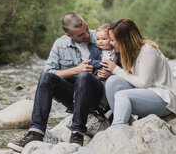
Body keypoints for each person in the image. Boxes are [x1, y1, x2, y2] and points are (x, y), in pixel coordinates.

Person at [7, 12, 105, 152]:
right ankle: (36, 133)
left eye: (87, 29)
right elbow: (50, 71)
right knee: (46, 77)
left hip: (96, 95)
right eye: (81, 35)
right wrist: (75, 70)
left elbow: (123, 55)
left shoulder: (102, 37)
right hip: (73, 95)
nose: (87, 35)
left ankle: (77, 133)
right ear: (69, 35)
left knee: (84, 76)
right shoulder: (60, 44)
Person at [102, 19, 176, 125]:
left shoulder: (148, 50)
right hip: (148, 95)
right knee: (112, 81)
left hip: (165, 100)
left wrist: (117, 70)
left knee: (122, 95)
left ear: (123, 40)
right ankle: (126, 121)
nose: (111, 43)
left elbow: (144, 84)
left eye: (113, 40)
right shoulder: (132, 53)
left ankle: (117, 128)